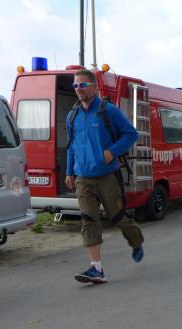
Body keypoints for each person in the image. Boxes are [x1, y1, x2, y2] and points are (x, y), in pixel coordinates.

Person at [64, 69, 143, 284]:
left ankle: (136, 241)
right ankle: (96, 269)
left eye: (82, 85)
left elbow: (131, 134)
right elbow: (71, 146)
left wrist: (112, 152)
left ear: (94, 86)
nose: (78, 89)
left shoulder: (108, 111)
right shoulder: (72, 116)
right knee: (88, 220)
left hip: (107, 175)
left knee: (117, 217)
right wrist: (70, 171)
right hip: (83, 177)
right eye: (75, 86)